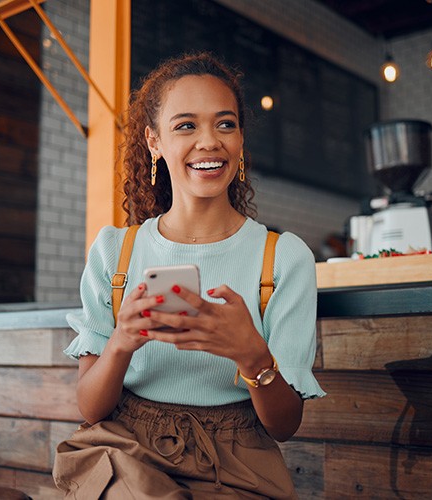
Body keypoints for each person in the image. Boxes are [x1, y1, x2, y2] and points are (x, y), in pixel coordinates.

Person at [53, 52, 325, 499]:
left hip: (239, 467)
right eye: (185, 126)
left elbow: (283, 427)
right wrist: (122, 342)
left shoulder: (282, 258)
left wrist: (253, 356)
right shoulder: (113, 252)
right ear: (153, 141)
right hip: (127, 455)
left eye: (225, 124)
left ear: (240, 139)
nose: (209, 142)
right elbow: (91, 407)